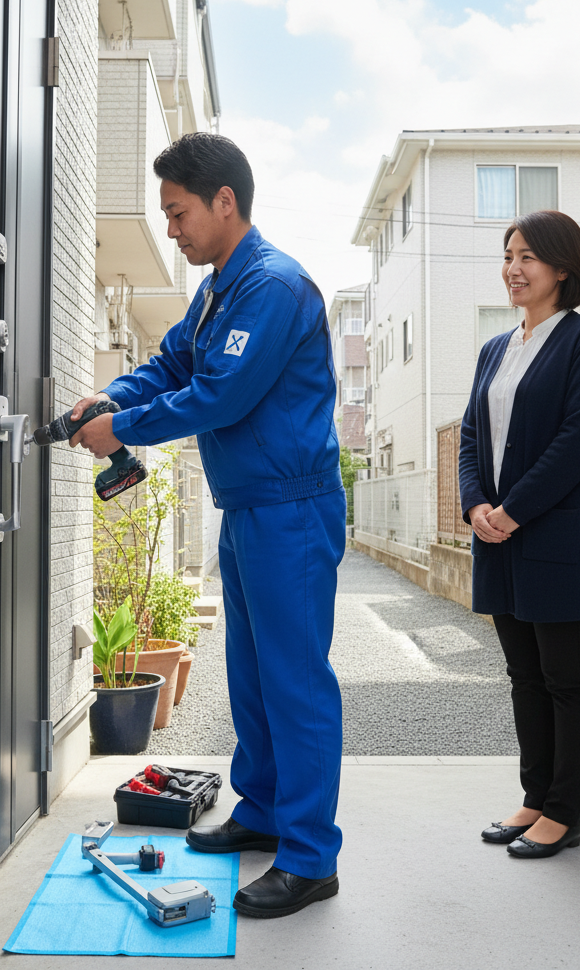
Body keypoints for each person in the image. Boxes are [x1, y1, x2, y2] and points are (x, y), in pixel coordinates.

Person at [70, 132, 346, 916]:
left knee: (296, 684)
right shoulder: (220, 287)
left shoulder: (275, 286)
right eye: (166, 215)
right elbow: (173, 365)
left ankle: (311, 856)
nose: (171, 228)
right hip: (250, 508)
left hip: (292, 509)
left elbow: (220, 394)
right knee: (254, 679)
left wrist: (124, 429)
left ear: (226, 203)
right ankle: (261, 813)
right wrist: (111, 397)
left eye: (178, 211)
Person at [459, 210, 580, 859]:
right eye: (508, 255)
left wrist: (513, 510)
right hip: (496, 538)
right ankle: (533, 797)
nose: (513, 268)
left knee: (564, 678)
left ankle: (564, 813)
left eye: (527, 256)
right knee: (523, 674)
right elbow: (470, 436)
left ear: (562, 267)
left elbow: (576, 442)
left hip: (550, 536)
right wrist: (475, 506)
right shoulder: (495, 348)